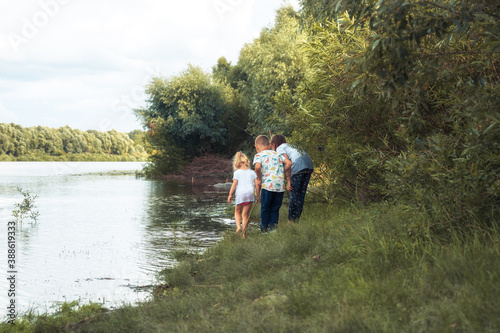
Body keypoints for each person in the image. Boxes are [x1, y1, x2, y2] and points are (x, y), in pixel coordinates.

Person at [271, 134, 313, 223]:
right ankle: (296, 220)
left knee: (293, 193)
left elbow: (288, 163)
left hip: (298, 165)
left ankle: (290, 220)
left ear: (274, 144)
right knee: (301, 195)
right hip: (309, 165)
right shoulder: (290, 146)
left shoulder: (279, 148)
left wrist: (285, 179)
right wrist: (289, 180)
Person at [253, 135, 292, 232]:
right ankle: (273, 230)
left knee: (265, 208)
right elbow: (289, 163)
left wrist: (258, 178)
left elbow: (257, 168)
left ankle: (264, 231)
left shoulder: (258, 155)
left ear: (256, 147)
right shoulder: (277, 154)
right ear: (269, 145)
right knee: (275, 208)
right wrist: (281, 172)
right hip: (280, 186)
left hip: (268, 186)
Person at [227, 152, 259, 238]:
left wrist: (230, 194)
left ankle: (238, 227)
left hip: (240, 194)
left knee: (237, 211)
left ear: (237, 163)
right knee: (245, 215)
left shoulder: (237, 173)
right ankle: (244, 234)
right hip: (250, 194)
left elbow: (234, 184)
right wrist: (258, 195)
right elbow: (257, 184)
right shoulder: (252, 172)